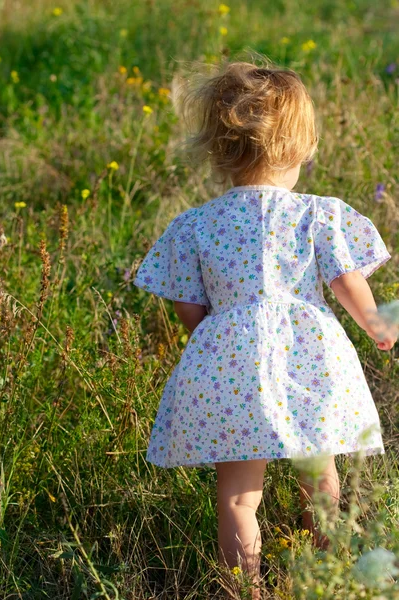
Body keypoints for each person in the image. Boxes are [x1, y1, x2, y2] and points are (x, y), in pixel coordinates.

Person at [133, 58, 397, 599]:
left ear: (221, 149)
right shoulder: (318, 214)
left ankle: (247, 591)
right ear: (300, 145)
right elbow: (346, 283)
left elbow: (188, 306)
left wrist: (217, 338)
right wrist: (375, 325)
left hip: (229, 362)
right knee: (319, 477)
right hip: (309, 360)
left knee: (236, 497)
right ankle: (321, 576)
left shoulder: (196, 223)